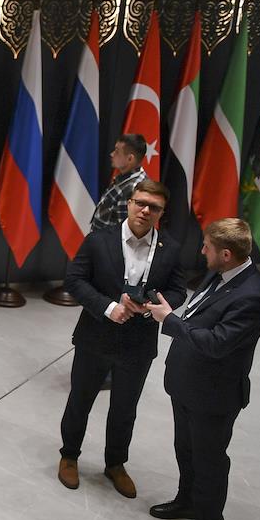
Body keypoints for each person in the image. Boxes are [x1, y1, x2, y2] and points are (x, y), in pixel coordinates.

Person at [147, 218, 260, 520]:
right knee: (186, 449)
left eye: (207, 247)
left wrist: (169, 320)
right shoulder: (219, 273)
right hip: (186, 382)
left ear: (226, 254)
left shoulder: (253, 295)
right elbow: (198, 314)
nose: (202, 251)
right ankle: (187, 500)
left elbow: (217, 343)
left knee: (209, 461)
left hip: (214, 394)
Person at [57, 179, 185, 496]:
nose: (145, 211)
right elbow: (75, 279)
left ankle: (115, 463)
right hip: (95, 336)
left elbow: (178, 290)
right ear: (129, 203)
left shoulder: (170, 249)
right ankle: (69, 455)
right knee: (80, 400)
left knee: (125, 408)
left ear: (162, 212)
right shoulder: (99, 240)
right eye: (140, 203)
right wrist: (109, 307)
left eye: (154, 207)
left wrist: (151, 308)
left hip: (139, 342)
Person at [90, 134, 149, 231]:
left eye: (117, 151)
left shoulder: (133, 189)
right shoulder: (124, 178)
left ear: (130, 159)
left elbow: (124, 230)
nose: (112, 154)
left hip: (107, 240)